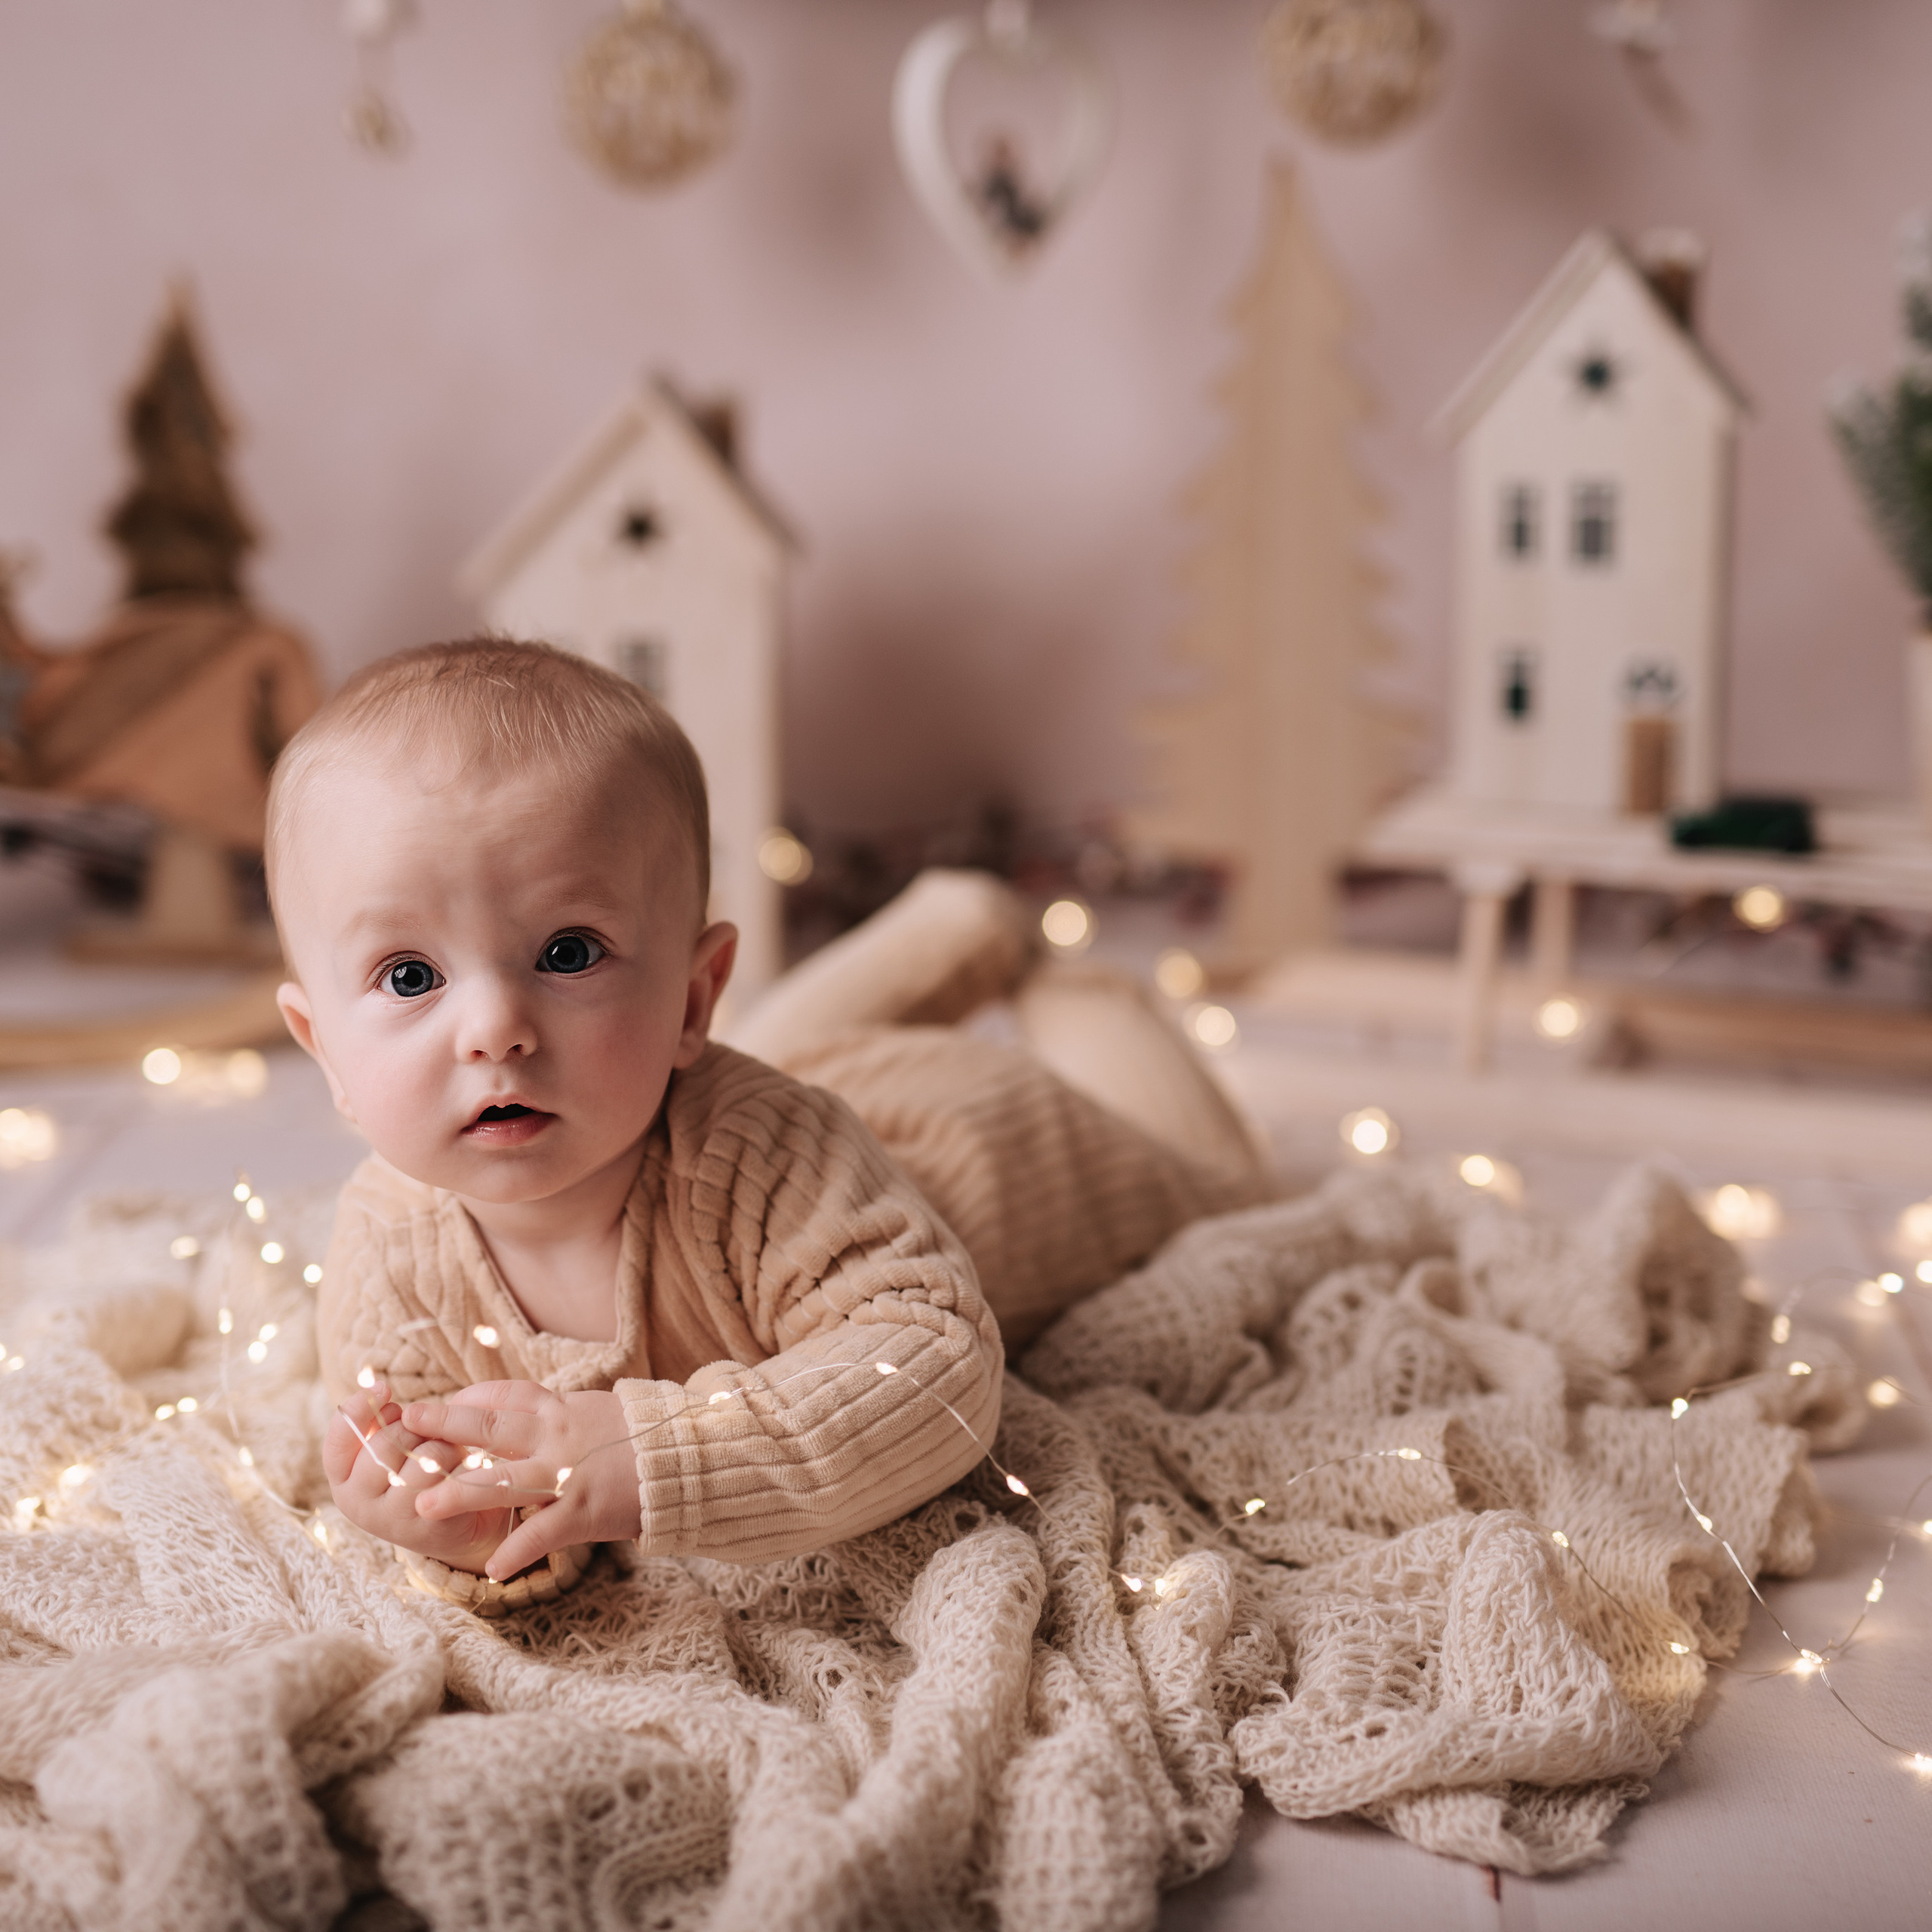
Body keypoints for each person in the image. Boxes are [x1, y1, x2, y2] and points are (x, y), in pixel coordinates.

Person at [269, 638, 1266, 1612]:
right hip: (744, 1077)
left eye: (569, 952)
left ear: (699, 996)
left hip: (984, 1134)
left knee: (1228, 1183)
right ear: (325, 1055)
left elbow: (935, 1364)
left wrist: (644, 1455)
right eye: (410, 977)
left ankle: (1054, 976)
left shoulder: (773, 1156)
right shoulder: (388, 1260)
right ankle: (951, 929)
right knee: (719, 1058)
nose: (493, 1030)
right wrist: (471, 1529)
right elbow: (479, 1494)